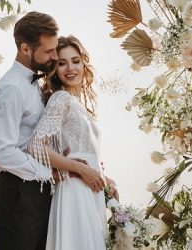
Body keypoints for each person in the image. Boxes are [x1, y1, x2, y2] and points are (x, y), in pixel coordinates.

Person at [0, 12, 105, 250]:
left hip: (38, 192)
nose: (54, 57)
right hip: (17, 191)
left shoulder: (36, 85)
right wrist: (50, 172)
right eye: (50, 52)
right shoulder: (12, 89)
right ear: (25, 48)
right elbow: (1, 152)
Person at [28, 35, 118, 250]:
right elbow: (35, 146)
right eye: (62, 63)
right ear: (55, 69)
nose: (70, 68)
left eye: (75, 61)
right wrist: (80, 169)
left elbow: (84, 152)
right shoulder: (61, 98)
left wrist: (105, 180)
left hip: (91, 191)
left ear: (84, 63)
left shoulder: (79, 105)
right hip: (75, 192)